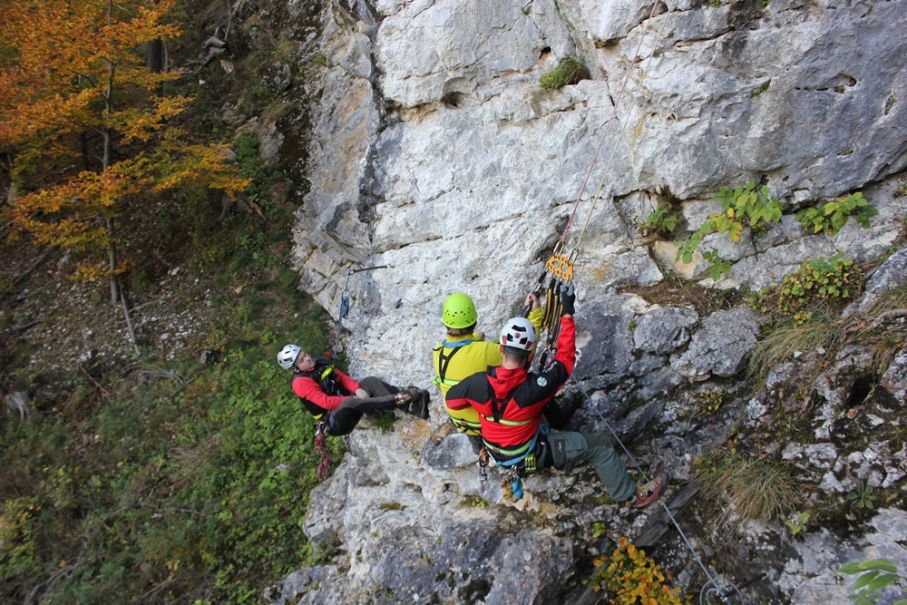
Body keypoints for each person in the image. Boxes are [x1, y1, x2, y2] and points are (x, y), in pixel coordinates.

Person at [445, 284, 665, 507]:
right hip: (529, 454)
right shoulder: (537, 388)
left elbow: (452, 401)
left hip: (495, 450)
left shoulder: (477, 383)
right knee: (600, 446)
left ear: (501, 349)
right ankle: (631, 496)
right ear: (531, 354)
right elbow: (565, 358)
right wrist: (567, 312)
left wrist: (485, 419)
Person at [433, 292, 544, 445]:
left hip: (461, 422)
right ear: (474, 321)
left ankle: (479, 450)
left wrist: (475, 339)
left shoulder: (438, 352)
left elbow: (462, 351)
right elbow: (521, 351)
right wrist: (535, 315)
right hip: (486, 424)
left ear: (446, 324)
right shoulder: (486, 351)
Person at [277, 344, 429, 436]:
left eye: (305, 354)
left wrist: (356, 389)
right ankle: (402, 398)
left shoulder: (317, 363)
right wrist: (353, 399)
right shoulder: (301, 383)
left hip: (346, 403)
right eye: (301, 360)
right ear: (295, 368)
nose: (307, 358)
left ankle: (412, 407)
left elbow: (340, 376)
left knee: (369, 382)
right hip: (335, 422)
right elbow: (326, 403)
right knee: (350, 402)